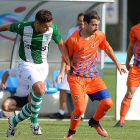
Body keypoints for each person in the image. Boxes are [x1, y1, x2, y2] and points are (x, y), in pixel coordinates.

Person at [54, 10, 126, 138]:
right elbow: (65, 56)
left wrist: (118, 64)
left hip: (93, 76)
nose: (96, 27)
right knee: (80, 109)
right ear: (85, 24)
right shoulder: (74, 39)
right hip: (76, 78)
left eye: (97, 25)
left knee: (108, 103)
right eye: (93, 25)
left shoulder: (99, 35)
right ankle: (71, 131)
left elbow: (107, 48)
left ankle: (94, 121)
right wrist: (61, 73)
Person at [0, 9, 70, 137]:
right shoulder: (24, 26)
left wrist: (68, 62)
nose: (48, 29)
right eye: (45, 26)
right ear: (37, 23)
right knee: (40, 89)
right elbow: (5, 27)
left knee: (33, 104)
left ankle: (13, 120)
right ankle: (34, 122)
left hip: (43, 67)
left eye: (49, 26)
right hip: (27, 64)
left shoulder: (52, 29)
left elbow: (61, 44)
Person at [48, 13, 89, 120]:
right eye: (79, 20)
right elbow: (68, 49)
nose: (81, 23)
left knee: (84, 90)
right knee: (62, 87)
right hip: (72, 65)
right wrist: (66, 64)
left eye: (83, 21)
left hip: (84, 66)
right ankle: (61, 112)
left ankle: (82, 114)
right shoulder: (72, 31)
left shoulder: (91, 32)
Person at [114, 23, 140, 127]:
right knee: (129, 93)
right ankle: (121, 121)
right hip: (137, 68)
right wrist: (128, 62)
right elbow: (130, 47)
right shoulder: (135, 29)